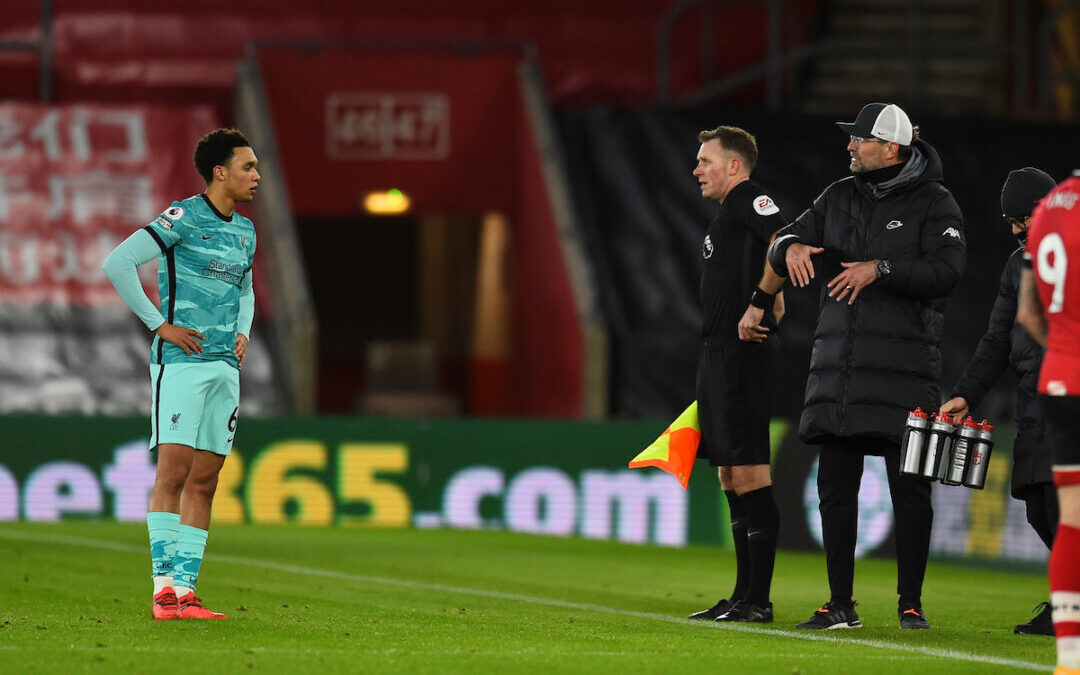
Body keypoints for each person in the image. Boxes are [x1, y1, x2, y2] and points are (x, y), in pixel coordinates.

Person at [739, 103, 966, 629]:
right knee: (835, 490)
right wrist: (790, 246)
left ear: (890, 147)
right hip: (839, 371)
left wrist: (879, 269)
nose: (849, 147)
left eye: (859, 139)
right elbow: (787, 236)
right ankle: (840, 603)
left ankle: (911, 603)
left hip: (906, 370)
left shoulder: (936, 202)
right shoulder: (837, 195)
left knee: (909, 490)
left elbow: (948, 271)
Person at [102, 128, 259, 620]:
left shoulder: (246, 231)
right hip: (183, 364)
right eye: (248, 167)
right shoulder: (183, 217)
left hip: (224, 367)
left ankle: (187, 593)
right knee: (172, 473)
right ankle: (162, 590)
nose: (257, 176)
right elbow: (119, 263)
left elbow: (246, 289)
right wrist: (160, 326)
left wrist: (244, 332)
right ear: (220, 171)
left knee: (206, 481)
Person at [940, 167, 1058, 636]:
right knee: (1036, 505)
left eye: (1019, 219)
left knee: (1059, 502)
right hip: (1034, 396)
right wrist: (967, 393)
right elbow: (996, 340)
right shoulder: (1018, 264)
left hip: (1068, 393)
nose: (1014, 230)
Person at [685, 126, 785, 624]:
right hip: (717, 355)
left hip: (742, 353)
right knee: (729, 474)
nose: (697, 169)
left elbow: (785, 240)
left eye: (706, 160)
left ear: (735, 166)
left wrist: (760, 301)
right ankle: (742, 594)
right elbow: (775, 257)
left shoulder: (751, 198)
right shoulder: (729, 215)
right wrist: (773, 289)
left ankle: (759, 601)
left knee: (749, 473)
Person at [1016, 170, 1080, 675]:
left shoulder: (1046, 211)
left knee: (1072, 522)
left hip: (1059, 378)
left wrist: (1062, 349)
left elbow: (1027, 313)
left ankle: (1070, 658)